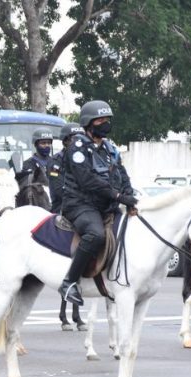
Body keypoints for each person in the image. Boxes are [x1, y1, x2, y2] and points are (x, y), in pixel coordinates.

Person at [59, 100, 136, 306]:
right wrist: (118, 197)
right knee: (96, 234)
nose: (105, 123)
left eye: (107, 120)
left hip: (104, 204)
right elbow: (87, 181)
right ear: (88, 123)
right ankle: (69, 282)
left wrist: (129, 197)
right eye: (101, 120)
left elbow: (121, 174)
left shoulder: (109, 148)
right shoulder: (77, 146)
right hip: (79, 204)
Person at [47, 122, 84, 213]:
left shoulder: (87, 158)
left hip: (88, 205)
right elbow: (59, 190)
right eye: (74, 139)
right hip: (63, 207)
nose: (78, 142)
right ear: (65, 141)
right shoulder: (56, 162)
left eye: (81, 138)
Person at [15, 127, 52, 207]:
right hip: (38, 201)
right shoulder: (28, 163)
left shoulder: (55, 161)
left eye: (49, 143)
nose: (47, 146)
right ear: (36, 144)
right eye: (43, 143)